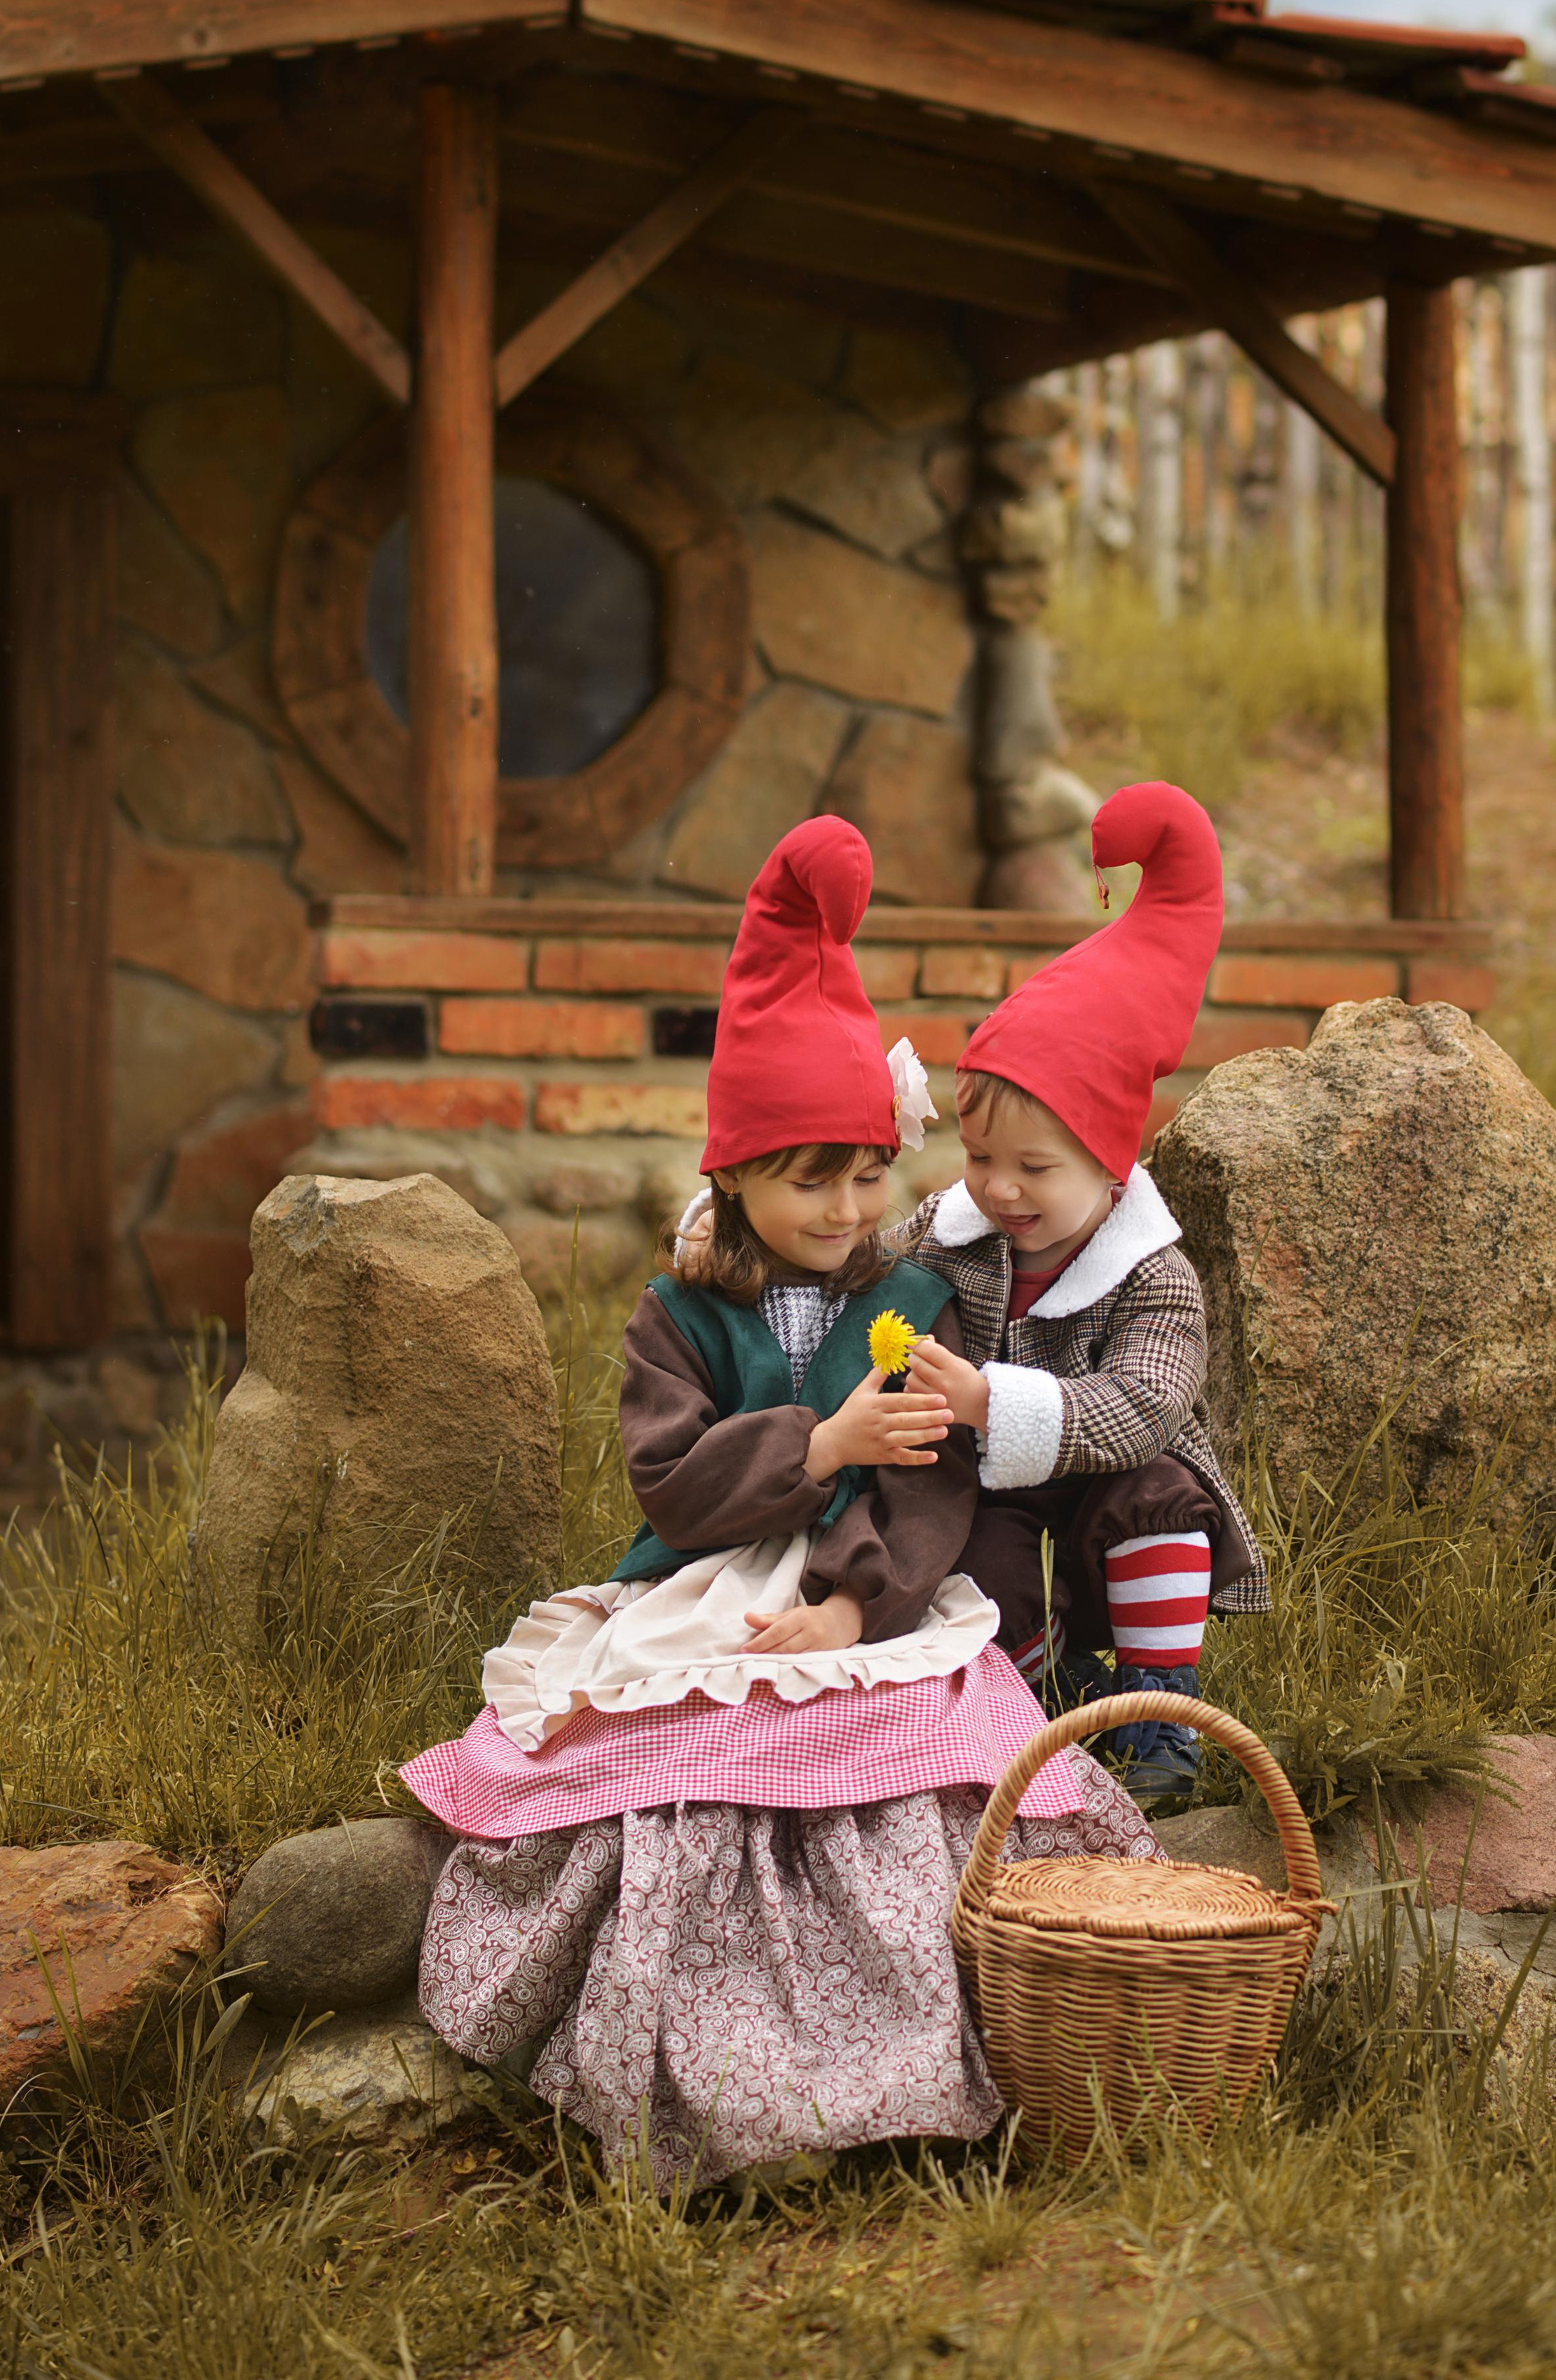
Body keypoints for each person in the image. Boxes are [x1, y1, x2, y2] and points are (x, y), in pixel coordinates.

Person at [402, 816, 1159, 2190]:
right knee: (688, 1757)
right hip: (708, 1581)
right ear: (736, 1172)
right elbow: (673, 1482)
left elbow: (933, 1482)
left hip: (870, 1588)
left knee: (904, 1762)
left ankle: (889, 2062)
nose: (846, 1205)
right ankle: (720, 2082)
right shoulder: (675, 1315)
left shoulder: (911, 1295)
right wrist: (819, 1441)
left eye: (868, 1172)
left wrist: (854, 1605)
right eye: (811, 1178)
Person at [892, 781, 1269, 1803]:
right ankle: (1050, 1690)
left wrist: (990, 1400)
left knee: (1163, 1497)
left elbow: (1147, 1404)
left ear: (1110, 1169)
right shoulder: (953, 1231)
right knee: (970, 1557)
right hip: (995, 1487)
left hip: (1116, 1480)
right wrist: (749, 1243)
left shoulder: (1153, 1274)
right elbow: (864, 1269)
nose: (1000, 1189)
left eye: (1035, 1168)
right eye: (980, 1157)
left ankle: (1159, 1706)